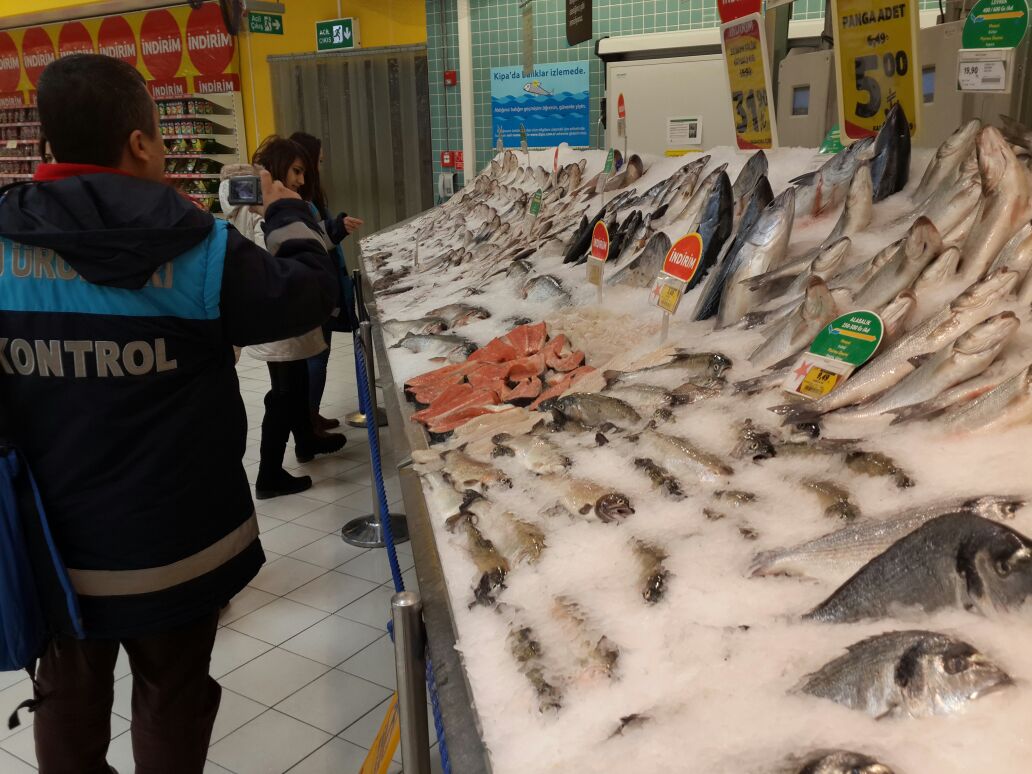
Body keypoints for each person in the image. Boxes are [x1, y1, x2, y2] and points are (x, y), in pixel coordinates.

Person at [0, 55, 339, 773]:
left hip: (50, 545)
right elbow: (308, 294)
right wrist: (285, 209)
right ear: (140, 143)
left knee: (66, 696)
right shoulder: (201, 247)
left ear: (49, 142)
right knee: (172, 693)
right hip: (178, 542)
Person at [220, 136, 346, 501]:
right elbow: (286, 254)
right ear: (274, 172)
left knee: (294, 387)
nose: (302, 181)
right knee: (282, 394)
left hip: (286, 315)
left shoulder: (271, 207)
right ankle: (269, 474)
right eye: (296, 171)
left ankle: (305, 441)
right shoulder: (259, 211)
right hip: (278, 316)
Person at [288, 131, 363, 431]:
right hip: (311, 292)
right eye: (316, 162)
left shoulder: (309, 199)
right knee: (316, 357)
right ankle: (307, 424)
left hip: (319, 288)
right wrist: (336, 228)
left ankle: (311, 415)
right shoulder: (295, 203)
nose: (317, 168)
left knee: (320, 354)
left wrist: (337, 226)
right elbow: (310, 241)